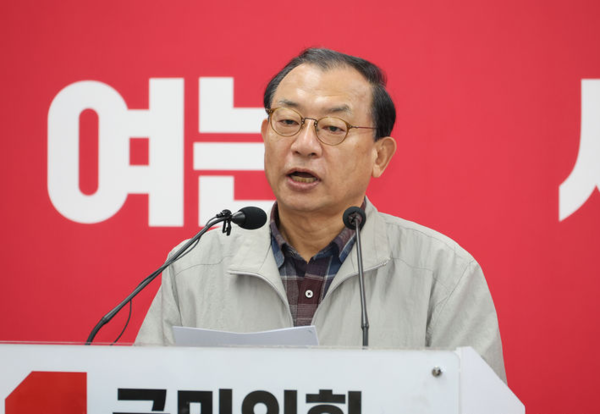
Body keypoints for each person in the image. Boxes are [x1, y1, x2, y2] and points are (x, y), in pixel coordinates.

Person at [135, 48, 506, 381]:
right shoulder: (193, 267)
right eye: (287, 122)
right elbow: (144, 394)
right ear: (265, 134)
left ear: (379, 156)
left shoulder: (443, 274)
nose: (304, 145)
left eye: (332, 128)